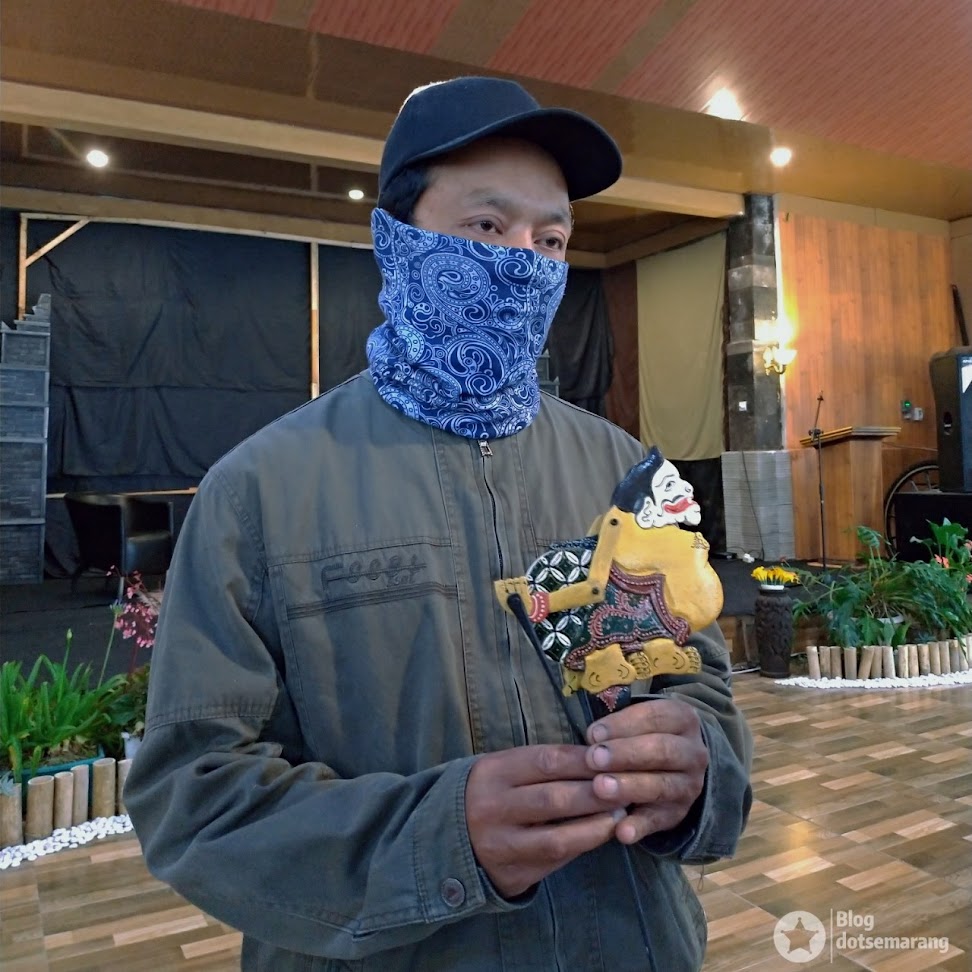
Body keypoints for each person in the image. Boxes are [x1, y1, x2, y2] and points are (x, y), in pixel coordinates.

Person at [125, 76, 753, 972]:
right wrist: (437, 844)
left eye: (551, 239)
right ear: (396, 239)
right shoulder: (257, 492)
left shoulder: (623, 472)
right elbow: (194, 794)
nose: (524, 262)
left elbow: (699, 691)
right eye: (487, 227)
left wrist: (694, 771)